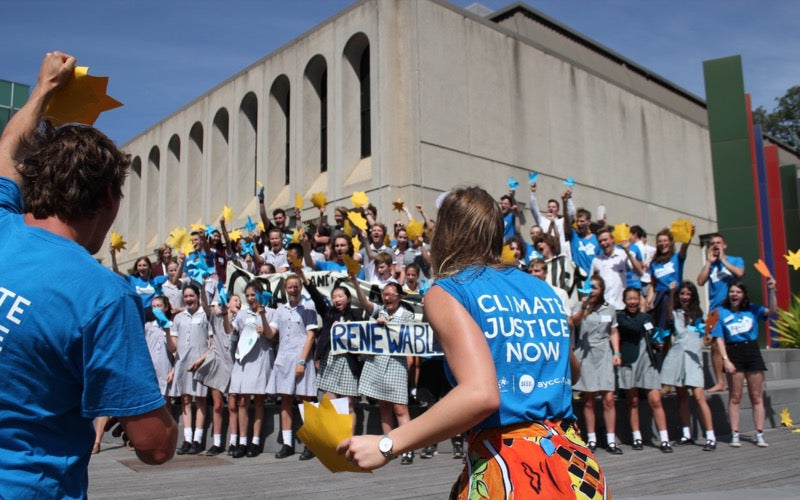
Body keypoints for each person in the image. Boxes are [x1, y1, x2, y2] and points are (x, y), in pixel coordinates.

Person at [338, 186, 606, 499]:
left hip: (510, 469)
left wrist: (388, 444)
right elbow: (571, 371)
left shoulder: (449, 291)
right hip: (575, 468)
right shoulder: (541, 289)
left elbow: (481, 394)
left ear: (447, 232)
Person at [0, 51, 176, 498]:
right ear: (108, 201)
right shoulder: (104, 295)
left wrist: (44, 88)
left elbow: (9, 146)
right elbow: (154, 446)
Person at [712, 277, 777, 448]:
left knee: (756, 396)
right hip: (733, 352)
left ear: (743, 295)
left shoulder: (752, 309)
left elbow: (772, 310)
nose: (734, 294)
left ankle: (760, 433)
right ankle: (735, 433)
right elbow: (719, 339)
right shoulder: (721, 312)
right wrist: (725, 360)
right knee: (735, 396)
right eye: (732, 291)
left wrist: (772, 290)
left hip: (752, 350)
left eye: (738, 292)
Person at [265, 274, 319, 460]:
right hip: (284, 359)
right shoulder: (280, 310)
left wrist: (302, 362)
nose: (293, 289)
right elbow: (270, 333)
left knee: (306, 401)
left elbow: (311, 336)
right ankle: (287, 443)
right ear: (285, 289)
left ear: (300, 288)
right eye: (290, 286)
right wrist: (262, 316)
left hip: (301, 358)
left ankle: (310, 443)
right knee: (286, 400)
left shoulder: (308, 308)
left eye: (296, 286)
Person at [660, 281, 717, 451]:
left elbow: (705, 336)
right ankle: (687, 433)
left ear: (693, 296)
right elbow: (669, 314)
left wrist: (708, 338)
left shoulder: (699, 314)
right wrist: (671, 292)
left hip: (693, 357)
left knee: (699, 396)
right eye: (682, 294)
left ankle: (711, 436)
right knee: (681, 395)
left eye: (688, 294)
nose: (685, 297)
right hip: (678, 356)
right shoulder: (676, 312)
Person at [572, 275, 623, 455]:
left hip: (604, 353)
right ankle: (592, 438)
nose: (592, 290)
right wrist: (584, 306)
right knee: (589, 400)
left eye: (595, 287)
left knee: (609, 399)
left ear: (601, 290)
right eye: (589, 287)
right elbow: (574, 323)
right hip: (585, 353)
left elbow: (613, 331)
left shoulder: (610, 308)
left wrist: (617, 352)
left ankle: (611, 440)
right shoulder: (579, 305)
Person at [615, 287, 671, 452]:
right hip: (629, 360)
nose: (633, 302)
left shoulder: (646, 317)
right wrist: (645, 316)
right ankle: (637, 437)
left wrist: (657, 342)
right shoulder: (620, 317)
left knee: (656, 400)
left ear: (640, 300)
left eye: (635, 298)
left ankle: (664, 439)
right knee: (632, 401)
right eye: (629, 299)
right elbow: (632, 326)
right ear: (624, 300)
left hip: (647, 360)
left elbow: (652, 334)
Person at [697, 233, 744, 393]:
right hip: (714, 311)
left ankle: (738, 376)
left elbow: (740, 273)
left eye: (718, 243)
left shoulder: (735, 260)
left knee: (735, 342)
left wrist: (723, 259)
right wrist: (709, 262)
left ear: (724, 245)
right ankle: (720, 382)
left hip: (732, 309)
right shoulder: (711, 265)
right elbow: (700, 281)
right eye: (712, 243)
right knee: (714, 344)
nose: (715, 245)